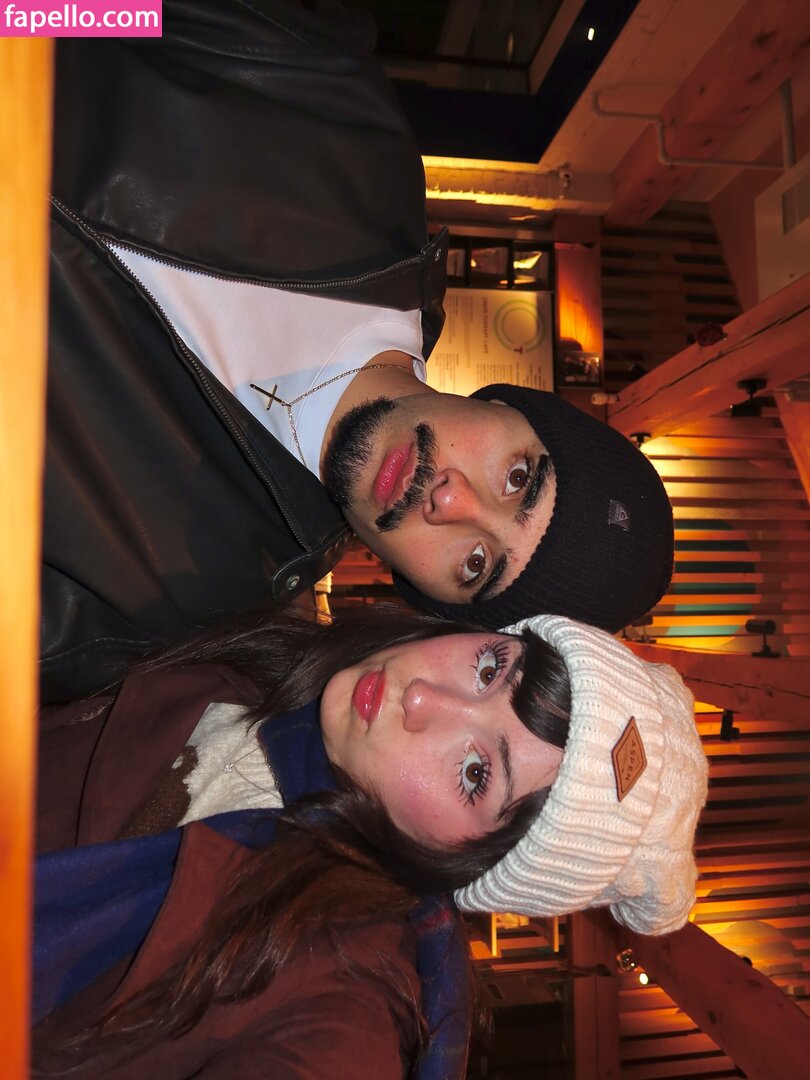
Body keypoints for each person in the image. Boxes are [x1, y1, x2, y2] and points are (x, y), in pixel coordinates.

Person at [42, 0, 674, 705]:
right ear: (514, 406)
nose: (451, 500)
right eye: (519, 478)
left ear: (427, 597)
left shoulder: (184, 603)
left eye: (475, 564)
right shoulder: (351, 140)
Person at [33, 605, 707, 1076]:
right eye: (490, 669)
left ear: (468, 865)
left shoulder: (345, 991)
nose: (423, 699)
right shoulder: (270, 665)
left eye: (476, 774)